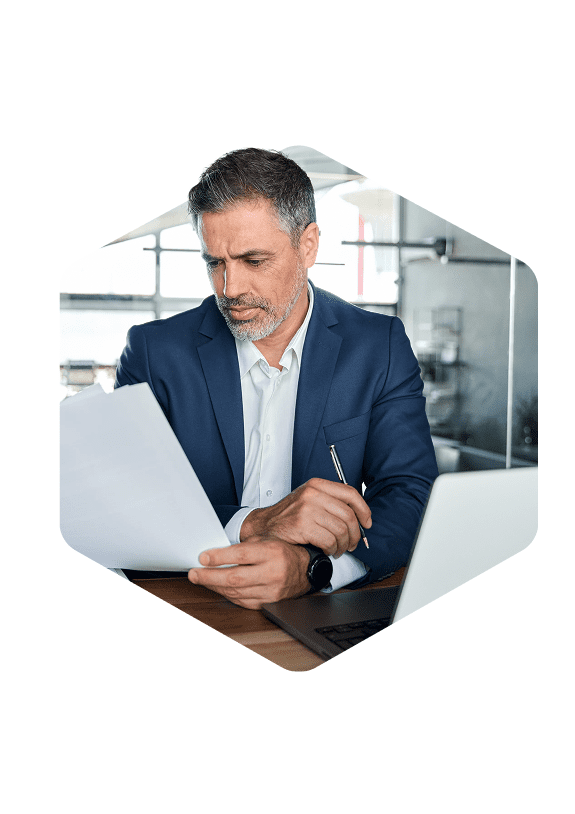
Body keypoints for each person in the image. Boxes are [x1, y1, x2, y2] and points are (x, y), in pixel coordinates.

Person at [115, 147, 438, 609]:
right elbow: (125, 502)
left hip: (324, 605)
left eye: (253, 260)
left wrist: (314, 569)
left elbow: (411, 493)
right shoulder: (154, 352)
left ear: (307, 246)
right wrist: (255, 524)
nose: (230, 289)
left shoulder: (378, 346)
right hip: (187, 601)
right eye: (215, 263)